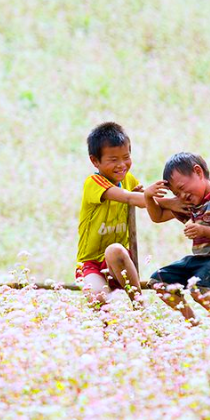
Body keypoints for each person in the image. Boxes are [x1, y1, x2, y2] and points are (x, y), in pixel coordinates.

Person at [143, 153, 210, 323]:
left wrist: (203, 230)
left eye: (182, 187)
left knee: (198, 288)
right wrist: (148, 197)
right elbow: (157, 216)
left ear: (198, 172)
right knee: (157, 281)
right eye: (176, 193)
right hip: (200, 260)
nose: (181, 196)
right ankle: (193, 324)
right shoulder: (192, 204)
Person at [76, 122, 147, 304]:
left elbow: (147, 203)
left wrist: (176, 205)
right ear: (95, 161)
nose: (122, 165)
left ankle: (140, 308)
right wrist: (147, 197)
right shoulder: (93, 182)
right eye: (113, 160)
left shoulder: (129, 180)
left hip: (118, 262)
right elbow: (131, 198)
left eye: (126, 157)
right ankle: (110, 331)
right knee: (97, 297)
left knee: (115, 250)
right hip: (90, 263)